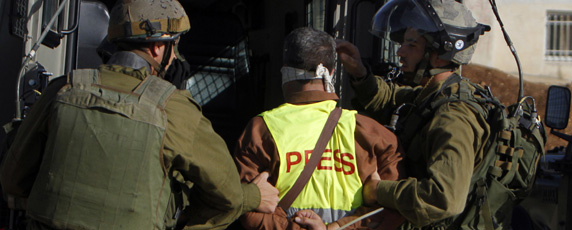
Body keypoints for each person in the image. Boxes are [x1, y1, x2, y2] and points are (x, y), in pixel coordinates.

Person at [0, 0, 279, 229]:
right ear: (159, 47)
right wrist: (254, 196)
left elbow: (12, 178)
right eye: (175, 44)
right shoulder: (174, 108)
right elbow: (227, 197)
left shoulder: (63, 88)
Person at [336, 0, 493, 229]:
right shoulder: (431, 95)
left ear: (438, 55)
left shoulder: (453, 117)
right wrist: (359, 71)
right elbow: (389, 98)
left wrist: (379, 191)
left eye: (411, 45)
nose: (400, 51)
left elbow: (442, 198)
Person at [233, 27, 404, 230]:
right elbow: (394, 208)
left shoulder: (260, 130)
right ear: (330, 73)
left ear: (285, 70)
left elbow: (250, 211)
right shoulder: (373, 134)